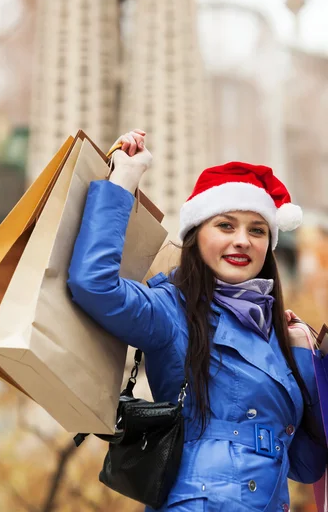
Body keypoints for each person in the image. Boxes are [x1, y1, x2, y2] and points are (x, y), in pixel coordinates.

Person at [68, 129, 327, 512]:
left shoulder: (274, 332)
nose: (242, 240)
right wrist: (125, 178)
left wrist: (303, 352)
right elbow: (93, 284)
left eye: (257, 230)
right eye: (225, 225)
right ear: (195, 236)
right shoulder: (172, 310)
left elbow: (306, 465)